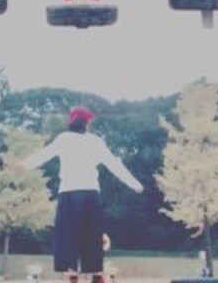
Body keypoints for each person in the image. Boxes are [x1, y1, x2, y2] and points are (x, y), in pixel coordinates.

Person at [18, 106, 144, 283]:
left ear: (71, 121)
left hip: (69, 193)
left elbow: (43, 155)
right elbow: (114, 164)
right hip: (90, 194)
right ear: (87, 123)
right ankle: (96, 274)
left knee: (68, 235)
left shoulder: (64, 139)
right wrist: (134, 184)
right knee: (92, 235)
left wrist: (23, 165)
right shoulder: (96, 142)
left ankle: (73, 276)